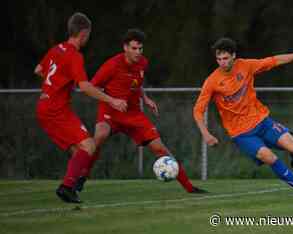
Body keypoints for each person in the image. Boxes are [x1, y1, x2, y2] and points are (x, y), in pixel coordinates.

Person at [74, 29, 206, 194]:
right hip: (110, 110)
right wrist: (112, 101)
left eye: (140, 49)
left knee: (160, 149)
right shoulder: (112, 65)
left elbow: (136, 83)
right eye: (134, 48)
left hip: (133, 114)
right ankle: (81, 177)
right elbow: (90, 87)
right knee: (99, 136)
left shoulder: (142, 63)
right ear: (125, 48)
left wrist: (145, 98)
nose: (138, 52)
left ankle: (190, 188)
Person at [193, 37, 293, 197]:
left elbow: (274, 60)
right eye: (218, 59)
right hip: (241, 133)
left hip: (262, 121)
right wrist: (206, 133)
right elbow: (197, 110)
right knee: (270, 157)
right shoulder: (212, 81)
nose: (222, 62)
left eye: (225, 58)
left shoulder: (246, 66)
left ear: (233, 56)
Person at [35, 12, 125, 203]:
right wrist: (112, 100)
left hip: (44, 106)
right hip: (55, 110)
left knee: (80, 152)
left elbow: (39, 70)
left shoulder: (55, 49)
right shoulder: (75, 56)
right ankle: (66, 188)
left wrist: (55, 84)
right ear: (83, 34)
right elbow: (85, 87)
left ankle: (72, 186)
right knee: (90, 145)